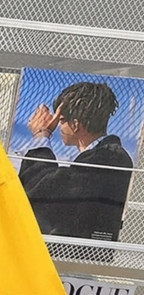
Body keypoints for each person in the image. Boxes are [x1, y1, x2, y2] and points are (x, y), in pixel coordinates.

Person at [19, 82, 133, 241]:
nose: (58, 127)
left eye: (62, 120)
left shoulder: (108, 157)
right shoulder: (106, 156)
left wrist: (41, 136)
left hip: (82, 254)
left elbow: (44, 194)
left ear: (75, 124)